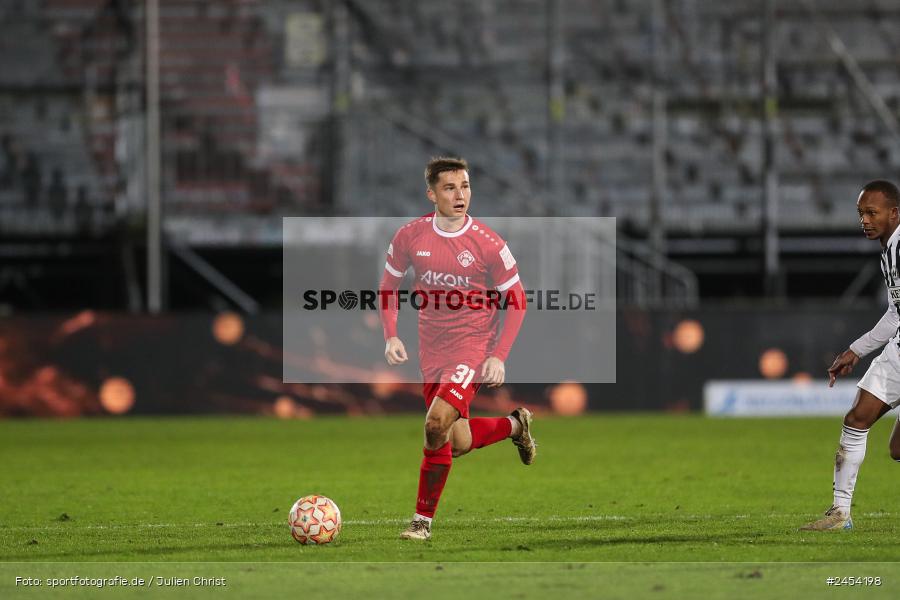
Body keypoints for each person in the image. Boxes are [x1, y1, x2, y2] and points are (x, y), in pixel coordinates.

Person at [379, 157, 534, 541]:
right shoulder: (410, 236)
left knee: (434, 424)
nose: (459, 194)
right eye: (450, 188)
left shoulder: (489, 243)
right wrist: (391, 334)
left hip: (472, 346)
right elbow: (388, 286)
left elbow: (516, 299)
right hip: (432, 350)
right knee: (455, 440)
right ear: (431, 194)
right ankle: (516, 426)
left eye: (464, 186)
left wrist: (498, 354)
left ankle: (421, 522)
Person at [803, 180, 900, 531]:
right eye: (861, 213)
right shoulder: (889, 250)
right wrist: (855, 350)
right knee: (858, 418)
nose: (864, 220)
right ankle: (839, 513)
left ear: (894, 213)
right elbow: (895, 312)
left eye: (872, 213)